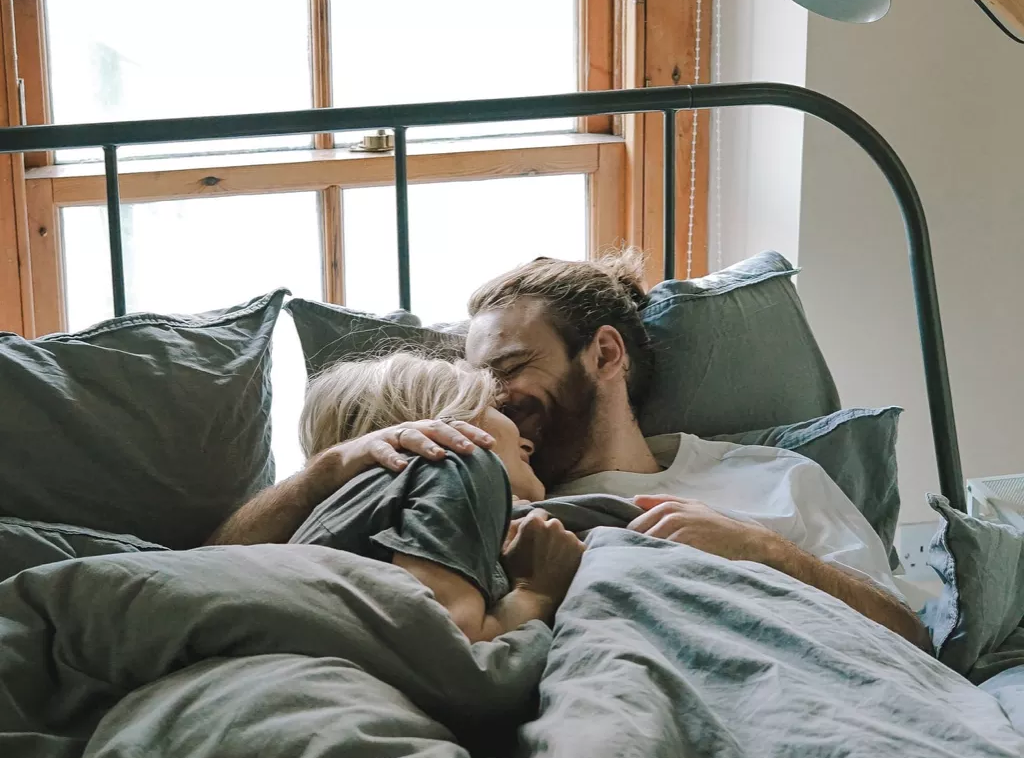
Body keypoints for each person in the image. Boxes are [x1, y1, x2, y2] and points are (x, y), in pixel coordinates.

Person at [462, 249, 931, 650]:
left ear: (605, 354)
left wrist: (761, 549)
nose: (491, 398)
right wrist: (387, 447)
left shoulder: (775, 478)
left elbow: (911, 637)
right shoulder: (484, 494)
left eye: (510, 368)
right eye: (478, 383)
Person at [213, 351, 583, 645]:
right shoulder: (454, 465)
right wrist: (537, 594)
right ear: (442, 419)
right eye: (497, 409)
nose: (527, 439)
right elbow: (452, 644)